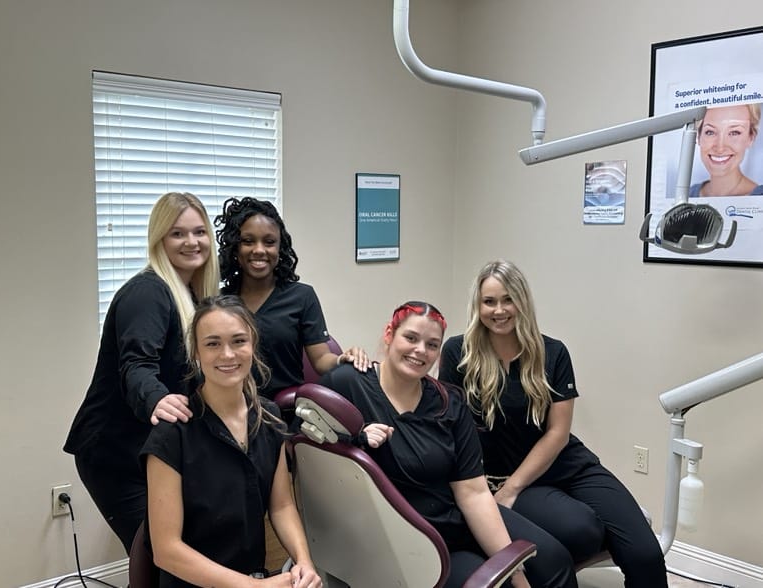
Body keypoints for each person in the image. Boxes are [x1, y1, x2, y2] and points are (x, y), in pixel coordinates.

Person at [321, 301, 583, 588]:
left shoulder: (450, 403)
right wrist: (356, 437)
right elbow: (309, 445)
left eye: (432, 345)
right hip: (410, 537)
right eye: (410, 338)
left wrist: (517, 572)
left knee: (553, 561)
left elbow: (473, 492)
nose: (421, 350)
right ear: (389, 334)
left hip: (455, 516)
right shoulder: (348, 384)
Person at [439, 260, 668, 588]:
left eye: (508, 299)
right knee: (581, 531)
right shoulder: (458, 354)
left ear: (523, 302)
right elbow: (447, 424)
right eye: (489, 301)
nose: (499, 310)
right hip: (503, 476)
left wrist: (512, 489)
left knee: (645, 552)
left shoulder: (553, 352)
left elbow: (558, 433)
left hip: (567, 466)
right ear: (478, 306)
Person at [64, 192, 220, 554]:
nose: (191, 242)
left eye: (199, 232)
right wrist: (157, 397)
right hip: (113, 453)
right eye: (177, 234)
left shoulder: (195, 296)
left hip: (153, 449)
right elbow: (136, 365)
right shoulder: (148, 293)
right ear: (159, 239)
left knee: (182, 551)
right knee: (157, 557)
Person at [142, 295, 322, 588]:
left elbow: (282, 506)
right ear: (196, 353)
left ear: (252, 345)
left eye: (238, 341)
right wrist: (251, 587)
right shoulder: (172, 433)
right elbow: (166, 551)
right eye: (213, 343)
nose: (227, 354)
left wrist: (304, 561)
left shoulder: (269, 418)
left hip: (254, 577)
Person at [214, 196, 368, 400]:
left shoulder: (302, 296)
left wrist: (342, 359)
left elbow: (321, 358)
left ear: (280, 248)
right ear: (235, 247)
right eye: (248, 241)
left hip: (283, 411)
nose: (259, 250)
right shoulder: (220, 302)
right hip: (229, 407)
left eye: (269, 242)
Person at [690, 103, 763, 197]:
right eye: (710, 132)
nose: (720, 148)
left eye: (734, 133)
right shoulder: (688, 195)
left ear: (751, 138)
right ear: (699, 137)